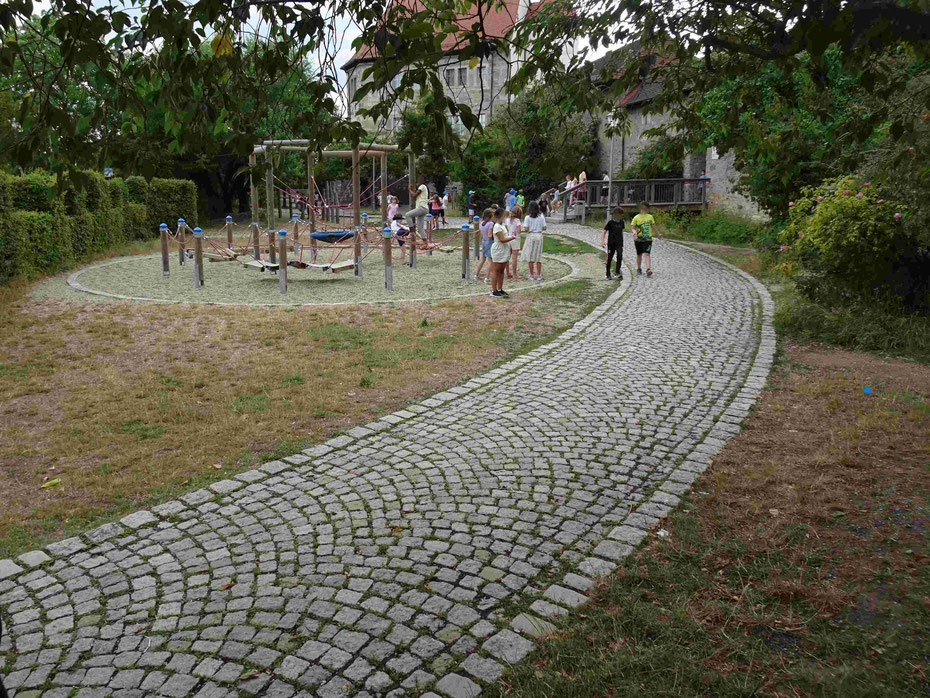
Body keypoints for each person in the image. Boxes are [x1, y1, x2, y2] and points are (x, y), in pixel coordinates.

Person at [489, 207, 516, 297]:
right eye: (504, 216)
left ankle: (500, 289)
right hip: (498, 249)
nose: (505, 218)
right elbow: (502, 239)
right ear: (500, 216)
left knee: (501, 271)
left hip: (504, 249)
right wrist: (512, 237)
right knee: (496, 271)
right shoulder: (496, 226)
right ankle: (494, 290)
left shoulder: (502, 225)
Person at [631, 201, 660, 276]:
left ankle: (648, 269)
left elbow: (653, 226)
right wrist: (634, 232)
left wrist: (658, 234)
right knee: (639, 254)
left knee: (647, 254)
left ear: (647, 208)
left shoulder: (650, 217)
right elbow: (632, 227)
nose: (643, 208)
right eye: (642, 207)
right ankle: (639, 268)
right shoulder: (636, 217)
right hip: (638, 239)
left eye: (645, 207)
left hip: (648, 239)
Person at [521, 200, 546, 281]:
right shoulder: (541, 216)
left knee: (530, 255)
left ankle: (531, 274)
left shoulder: (527, 218)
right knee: (538, 255)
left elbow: (526, 229)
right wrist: (538, 227)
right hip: (539, 235)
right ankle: (538, 274)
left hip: (531, 235)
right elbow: (544, 227)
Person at [602, 207, 625, 281]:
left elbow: (621, 232)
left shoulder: (622, 222)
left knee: (619, 256)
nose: (619, 216)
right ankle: (607, 274)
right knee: (609, 258)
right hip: (611, 243)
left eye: (620, 214)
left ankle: (617, 272)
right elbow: (604, 231)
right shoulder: (610, 223)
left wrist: (622, 241)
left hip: (619, 243)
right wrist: (602, 241)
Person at [473, 208, 494, 282]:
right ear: (490, 215)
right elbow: (489, 235)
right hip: (489, 242)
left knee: (482, 259)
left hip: (483, 241)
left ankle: (476, 275)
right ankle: (487, 277)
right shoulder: (491, 224)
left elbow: (482, 234)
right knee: (490, 260)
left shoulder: (482, 223)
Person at [507, 204, 523, 280]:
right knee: (514, 258)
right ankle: (514, 274)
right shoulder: (518, 221)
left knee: (507, 257)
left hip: (508, 238)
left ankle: (507, 272)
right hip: (515, 240)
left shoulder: (507, 220)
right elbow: (519, 231)